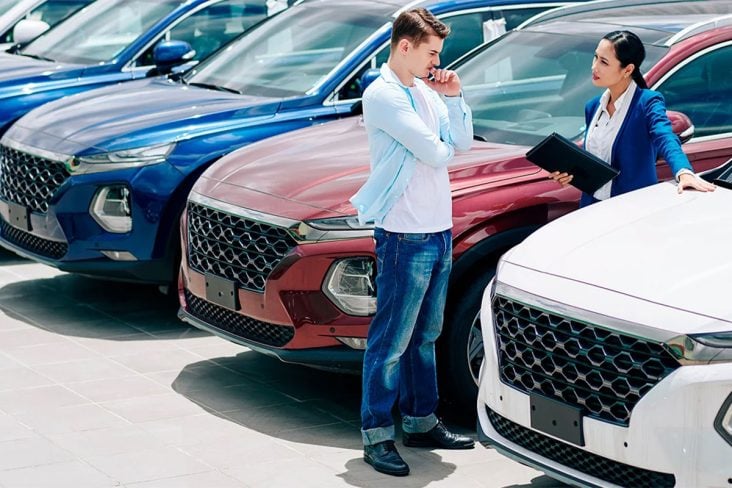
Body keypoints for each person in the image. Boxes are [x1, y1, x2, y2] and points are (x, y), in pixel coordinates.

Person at [349, 7, 474, 477]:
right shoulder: (382, 95)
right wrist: (441, 141)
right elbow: (436, 152)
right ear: (405, 46)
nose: (436, 62)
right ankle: (377, 435)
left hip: (439, 228)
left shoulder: (426, 90)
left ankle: (421, 422)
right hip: (404, 233)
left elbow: (461, 142)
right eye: (431, 53)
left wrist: (455, 97)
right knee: (391, 341)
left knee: (425, 337)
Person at [551, 30, 715, 203]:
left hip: (633, 208)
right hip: (592, 208)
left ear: (628, 69)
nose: (594, 67)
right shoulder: (592, 107)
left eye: (604, 62)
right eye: (595, 57)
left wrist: (683, 171)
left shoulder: (647, 102)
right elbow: (595, 161)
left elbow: (665, 137)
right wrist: (572, 174)